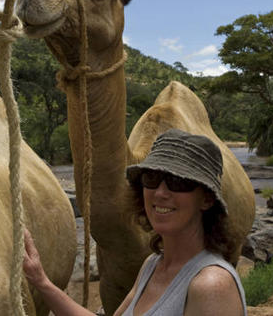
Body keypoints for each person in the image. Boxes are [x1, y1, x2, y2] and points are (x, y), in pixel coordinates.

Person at [23, 128, 246, 315]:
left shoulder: (211, 286)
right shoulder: (153, 265)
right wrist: (40, 280)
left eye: (177, 182)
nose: (160, 192)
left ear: (206, 199)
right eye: (152, 179)